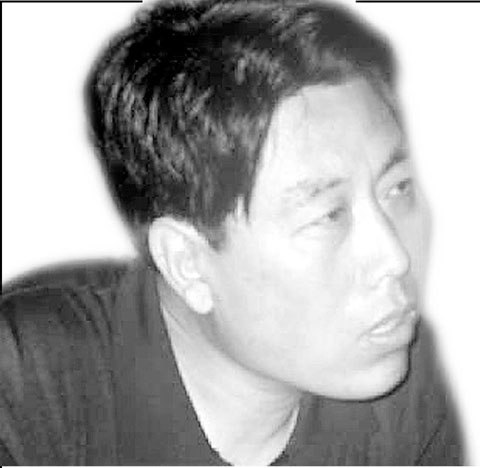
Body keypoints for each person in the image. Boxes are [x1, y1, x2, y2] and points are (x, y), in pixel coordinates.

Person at [0, 0, 463, 464]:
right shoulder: (26, 391)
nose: (395, 258)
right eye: (327, 216)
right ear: (188, 264)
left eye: (397, 189)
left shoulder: (401, 386)